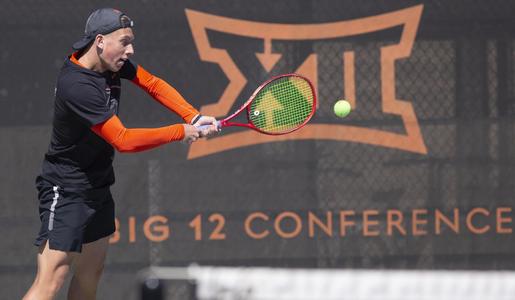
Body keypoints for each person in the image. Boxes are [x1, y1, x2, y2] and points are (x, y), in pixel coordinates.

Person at [23, 8, 217, 300]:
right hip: (66, 188)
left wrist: (193, 117)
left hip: (98, 184)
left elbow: (153, 84)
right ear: (100, 41)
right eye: (124, 42)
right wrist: (182, 131)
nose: (131, 49)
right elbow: (123, 140)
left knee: (90, 274)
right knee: (52, 280)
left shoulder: (111, 64)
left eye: (131, 42)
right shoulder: (77, 86)